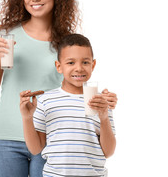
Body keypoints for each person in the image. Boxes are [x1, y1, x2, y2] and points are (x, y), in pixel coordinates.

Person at [0, 0, 117, 177]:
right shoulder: (7, 35)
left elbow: (77, 85)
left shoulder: (67, 42)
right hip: (5, 138)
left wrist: (104, 102)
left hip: (51, 137)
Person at [20, 34, 116, 177]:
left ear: (93, 65)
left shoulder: (100, 101)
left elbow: (108, 152)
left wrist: (103, 117)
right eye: (71, 63)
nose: (79, 68)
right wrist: (27, 118)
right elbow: (35, 149)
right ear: (59, 66)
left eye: (85, 62)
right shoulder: (46, 100)